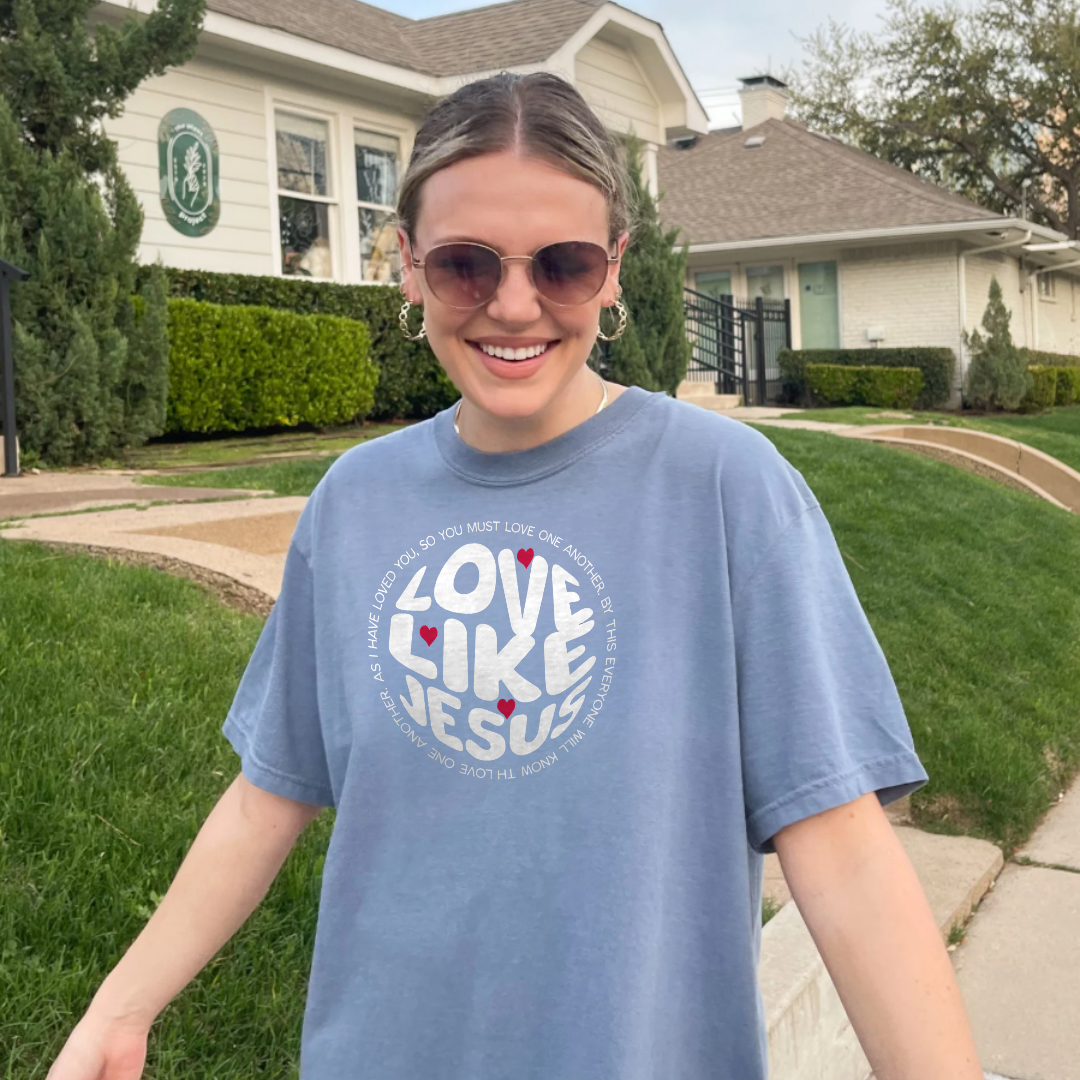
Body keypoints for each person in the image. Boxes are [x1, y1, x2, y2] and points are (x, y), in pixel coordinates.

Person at [47, 72, 984, 1080]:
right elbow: (267, 796)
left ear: (614, 270)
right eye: (465, 264)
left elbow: (841, 849)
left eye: (564, 264)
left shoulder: (726, 490)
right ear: (406, 266)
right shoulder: (354, 504)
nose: (513, 304)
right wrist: (120, 1012)